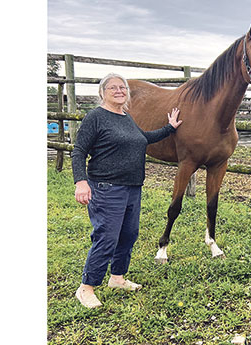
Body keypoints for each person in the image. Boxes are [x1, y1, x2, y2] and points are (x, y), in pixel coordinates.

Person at [71, 73, 182, 308]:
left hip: (133, 188)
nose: (119, 91)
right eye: (113, 87)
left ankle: (117, 278)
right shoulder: (96, 117)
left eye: (122, 87)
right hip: (106, 187)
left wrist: (169, 128)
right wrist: (81, 182)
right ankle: (86, 288)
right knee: (106, 237)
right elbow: (79, 151)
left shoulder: (126, 117)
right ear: (102, 92)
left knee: (128, 235)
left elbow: (144, 138)